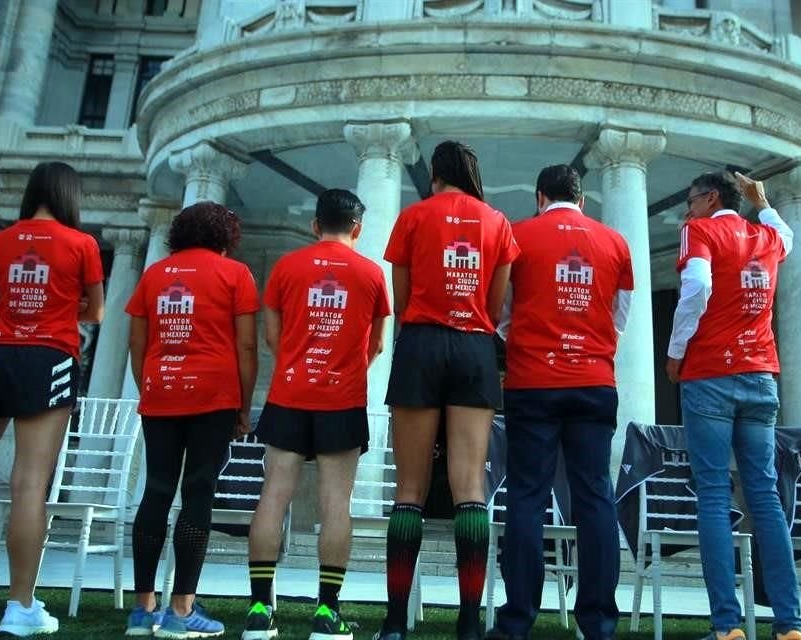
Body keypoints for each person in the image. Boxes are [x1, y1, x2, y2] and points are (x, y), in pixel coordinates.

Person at [374, 141, 520, 640]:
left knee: (409, 490)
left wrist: (421, 331)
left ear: (436, 174)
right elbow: (498, 300)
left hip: (420, 341)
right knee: (470, 489)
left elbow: (402, 291)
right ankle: (469, 623)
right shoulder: (498, 222)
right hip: (475, 348)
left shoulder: (414, 217)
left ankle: (395, 624)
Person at [486, 165, 632, 640]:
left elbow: (502, 313)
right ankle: (599, 623)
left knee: (526, 496)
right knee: (595, 498)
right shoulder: (615, 243)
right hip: (593, 380)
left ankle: (517, 620)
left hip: (533, 380)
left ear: (539, 196)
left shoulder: (518, 234)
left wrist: (528, 343)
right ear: (582, 200)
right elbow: (620, 319)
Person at [242, 189, 391, 640]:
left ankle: (258, 611)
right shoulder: (370, 274)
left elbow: (273, 336)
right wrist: (343, 370)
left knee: (273, 497)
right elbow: (378, 344)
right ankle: (327, 614)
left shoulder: (287, 267)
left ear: (314, 225)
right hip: (341, 401)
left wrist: (297, 365)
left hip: (288, 395)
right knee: (335, 504)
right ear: (358, 229)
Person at [665, 172, 801, 640]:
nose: (686, 211)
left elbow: (697, 287)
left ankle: (727, 625)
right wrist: (762, 202)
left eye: (690, 201)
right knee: (764, 497)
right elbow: (787, 236)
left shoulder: (700, 231)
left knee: (712, 495)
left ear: (709, 198)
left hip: (710, 374)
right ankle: (789, 626)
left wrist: (677, 350)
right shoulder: (765, 236)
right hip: (760, 373)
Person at [0, 161, 104, 636]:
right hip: (45, 358)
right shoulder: (82, 243)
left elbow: (0, 289)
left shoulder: (3, 240)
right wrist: (64, 305)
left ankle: (22, 606)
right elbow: (98, 309)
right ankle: (20, 606)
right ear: (71, 195)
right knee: (29, 484)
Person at [124, 201, 259, 639]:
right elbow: (246, 348)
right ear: (226, 236)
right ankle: (182, 609)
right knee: (198, 490)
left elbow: (137, 344)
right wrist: (242, 404)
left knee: (157, 489)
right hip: (213, 394)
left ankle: (143, 608)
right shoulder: (235, 275)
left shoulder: (155, 275)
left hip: (161, 390)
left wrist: (150, 387)